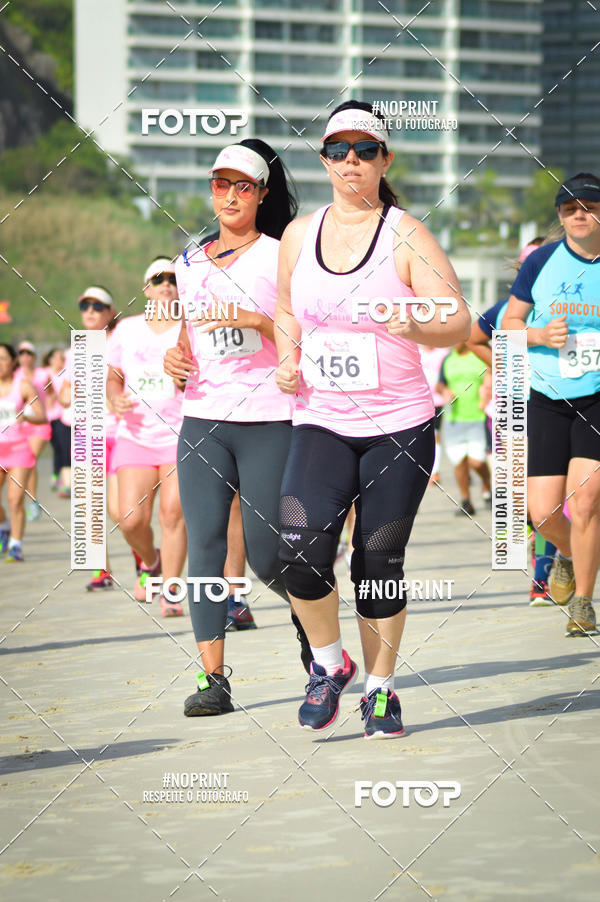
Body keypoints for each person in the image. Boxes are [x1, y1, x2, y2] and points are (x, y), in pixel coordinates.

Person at [274, 101, 470, 738]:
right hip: (320, 419)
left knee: (378, 561)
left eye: (364, 150)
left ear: (385, 160)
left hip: (398, 424)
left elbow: (459, 320)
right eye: (337, 150)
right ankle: (330, 664)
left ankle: (381, 690)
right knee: (297, 552)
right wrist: (285, 357)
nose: (350, 161)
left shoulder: (407, 234)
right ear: (324, 159)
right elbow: (285, 308)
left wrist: (417, 323)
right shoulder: (301, 234)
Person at [163, 138, 312, 717]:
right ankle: (214, 680)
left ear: (261, 194)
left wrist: (257, 319)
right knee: (203, 546)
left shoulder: (282, 254)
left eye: (242, 185)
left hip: (268, 420)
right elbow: (187, 338)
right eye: (220, 184)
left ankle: (314, 631)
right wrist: (174, 361)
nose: (228, 195)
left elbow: (307, 334)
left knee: (267, 553)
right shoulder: (189, 259)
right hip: (202, 419)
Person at [503, 172, 600, 636]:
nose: (579, 215)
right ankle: (566, 553)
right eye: (569, 208)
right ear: (559, 217)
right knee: (540, 513)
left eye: (588, 206)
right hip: (547, 396)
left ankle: (583, 601)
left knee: (584, 503)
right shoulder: (541, 260)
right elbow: (508, 324)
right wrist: (538, 335)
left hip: (598, 398)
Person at [467, 238, 558, 605]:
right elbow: (474, 338)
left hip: (558, 411)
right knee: (519, 501)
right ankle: (541, 555)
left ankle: (542, 576)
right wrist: (501, 364)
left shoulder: (567, 307)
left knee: (551, 501)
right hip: (512, 412)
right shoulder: (505, 309)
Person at [107, 257, 188, 616]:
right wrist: (114, 396)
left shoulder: (190, 327)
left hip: (180, 433)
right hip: (135, 435)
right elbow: (112, 375)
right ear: (146, 289)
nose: (166, 284)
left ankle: (171, 590)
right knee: (130, 519)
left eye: (172, 278)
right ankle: (150, 561)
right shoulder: (127, 329)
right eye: (158, 279)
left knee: (173, 514)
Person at [59, 286, 120, 590]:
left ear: (111, 311)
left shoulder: (122, 341)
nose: (90, 311)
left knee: (120, 509)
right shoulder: (76, 349)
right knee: (89, 505)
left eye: (98, 305)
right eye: (85, 306)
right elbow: (64, 392)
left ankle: (146, 560)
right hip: (87, 433)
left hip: (121, 432)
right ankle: (102, 571)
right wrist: (71, 393)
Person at [0, 343, 47, 561]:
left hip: (18, 449)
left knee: (15, 499)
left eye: (3, 359)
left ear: (13, 362)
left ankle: (16, 545)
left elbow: (42, 416)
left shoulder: (24, 386)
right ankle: (4, 526)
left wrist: (26, 416)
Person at [435, 342, 491, 515]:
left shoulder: (479, 356)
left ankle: (487, 486)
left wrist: (487, 391)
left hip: (477, 416)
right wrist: (444, 391)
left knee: (476, 461)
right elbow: (440, 384)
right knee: (459, 461)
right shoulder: (448, 359)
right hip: (454, 417)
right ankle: (466, 501)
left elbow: (492, 372)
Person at [16, 341, 52, 522]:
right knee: (26, 462)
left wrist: (52, 408)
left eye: (28, 353)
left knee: (30, 458)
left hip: (40, 423)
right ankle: (27, 500)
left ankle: (32, 502)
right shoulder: (15, 375)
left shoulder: (42, 374)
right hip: (21, 425)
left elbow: (54, 391)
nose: (25, 356)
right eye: (21, 353)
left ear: (34, 356)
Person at [419, 344, 449, 484]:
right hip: (419, 401)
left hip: (437, 401)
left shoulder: (443, 352)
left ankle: (434, 472)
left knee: (435, 434)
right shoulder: (417, 351)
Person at [42, 348, 69, 492]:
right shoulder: (45, 374)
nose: (61, 360)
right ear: (51, 359)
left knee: (64, 447)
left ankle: (63, 481)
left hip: (61, 417)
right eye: (58, 357)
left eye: (62, 357)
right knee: (57, 448)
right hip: (47, 418)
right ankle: (56, 474)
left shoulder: (65, 373)